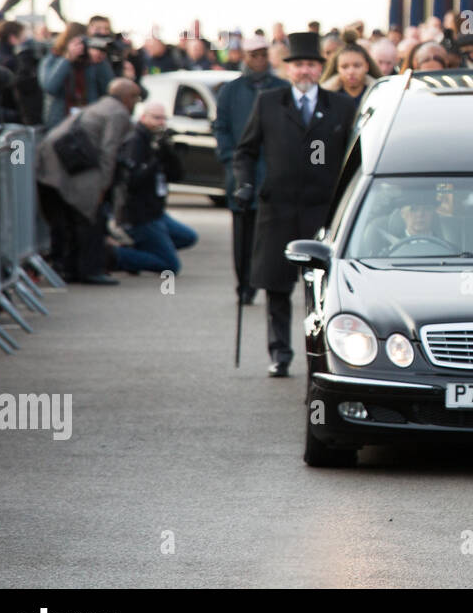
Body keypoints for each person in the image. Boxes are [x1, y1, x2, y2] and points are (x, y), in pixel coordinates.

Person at [232, 32, 355, 377]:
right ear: (288, 69)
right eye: (299, 64)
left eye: (311, 65)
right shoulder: (269, 102)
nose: (305, 71)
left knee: (319, 288)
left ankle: (322, 355)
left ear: (320, 69)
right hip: (279, 209)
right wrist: (245, 184)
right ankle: (279, 354)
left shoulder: (340, 107)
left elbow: (351, 159)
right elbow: (246, 150)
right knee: (276, 285)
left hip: (321, 210)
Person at [35, 78, 141, 284]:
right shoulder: (118, 112)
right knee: (89, 218)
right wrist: (103, 185)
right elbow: (109, 150)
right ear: (127, 98)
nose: (137, 102)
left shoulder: (101, 105)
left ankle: (68, 268)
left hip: (52, 164)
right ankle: (89, 270)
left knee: (65, 220)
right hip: (69, 168)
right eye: (136, 97)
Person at [214, 35, 289, 304]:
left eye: (262, 54)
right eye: (253, 54)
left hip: (271, 172)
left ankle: (265, 281)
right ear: (244, 57)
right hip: (241, 171)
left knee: (269, 235)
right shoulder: (230, 90)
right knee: (243, 235)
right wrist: (229, 158)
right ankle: (244, 285)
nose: (258, 59)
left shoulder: (281, 88)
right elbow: (221, 127)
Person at [111, 102, 198, 274]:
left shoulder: (156, 141)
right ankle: (114, 255)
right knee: (170, 266)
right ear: (143, 117)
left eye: (163, 118)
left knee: (188, 237)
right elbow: (132, 181)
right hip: (139, 215)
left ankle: (139, 250)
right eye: (156, 118)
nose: (161, 122)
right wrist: (155, 159)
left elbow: (176, 176)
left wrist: (169, 152)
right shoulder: (135, 141)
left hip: (156, 212)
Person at [40, 22, 115, 130]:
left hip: (88, 123)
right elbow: (50, 87)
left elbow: (109, 88)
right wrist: (68, 59)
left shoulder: (91, 63)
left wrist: (100, 60)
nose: (82, 47)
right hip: (59, 124)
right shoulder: (52, 59)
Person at [321, 41, 380, 108]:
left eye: (357, 66)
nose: (351, 72)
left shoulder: (380, 95)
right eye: (344, 67)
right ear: (337, 68)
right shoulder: (325, 99)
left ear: (367, 67)